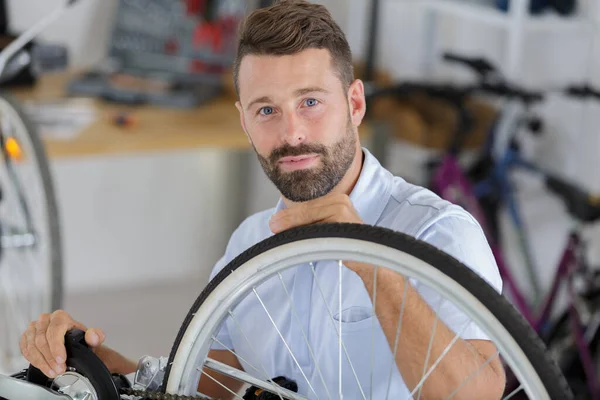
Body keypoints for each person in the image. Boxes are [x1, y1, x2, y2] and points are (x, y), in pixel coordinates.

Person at [20, 1, 506, 398]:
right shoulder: (250, 244)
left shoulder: (437, 231)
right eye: (267, 110)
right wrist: (99, 364)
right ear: (244, 121)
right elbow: (209, 385)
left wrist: (376, 268)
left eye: (311, 102)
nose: (291, 132)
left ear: (354, 104)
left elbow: (478, 393)